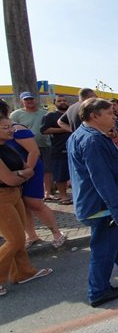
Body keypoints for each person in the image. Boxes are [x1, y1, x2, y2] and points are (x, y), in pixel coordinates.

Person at [67, 98, 118, 307]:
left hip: (97, 202)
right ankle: (98, 291)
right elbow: (101, 179)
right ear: (94, 116)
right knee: (103, 248)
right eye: (109, 114)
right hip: (100, 205)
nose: (114, 117)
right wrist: (116, 209)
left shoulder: (87, 135)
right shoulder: (92, 141)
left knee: (113, 237)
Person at [0, 114, 53, 296]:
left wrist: (20, 173)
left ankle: (22, 272)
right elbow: (10, 179)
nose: (11, 130)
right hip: (2, 197)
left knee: (19, 238)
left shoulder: (7, 147)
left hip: (15, 194)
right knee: (14, 239)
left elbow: (27, 169)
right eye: (5, 128)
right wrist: (21, 174)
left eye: (11, 126)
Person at [2, 101, 67, 249]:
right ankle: (31, 235)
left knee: (34, 203)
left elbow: (34, 151)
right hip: (15, 173)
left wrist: (27, 172)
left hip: (29, 170)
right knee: (23, 205)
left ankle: (57, 233)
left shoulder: (15, 129)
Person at [10, 92, 54, 201]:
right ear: (22, 101)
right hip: (25, 149)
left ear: (36, 100)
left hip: (45, 145)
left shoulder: (44, 113)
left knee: (47, 169)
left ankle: (47, 192)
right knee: (27, 168)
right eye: (26, 99)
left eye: (31, 99)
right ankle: (26, 192)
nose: (29, 101)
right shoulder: (16, 114)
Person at [40, 95, 72, 204]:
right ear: (55, 103)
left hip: (75, 148)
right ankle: (63, 196)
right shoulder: (50, 116)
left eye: (65, 100)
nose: (63, 102)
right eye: (59, 101)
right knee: (60, 174)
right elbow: (44, 130)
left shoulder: (73, 114)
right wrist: (64, 129)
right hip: (59, 148)